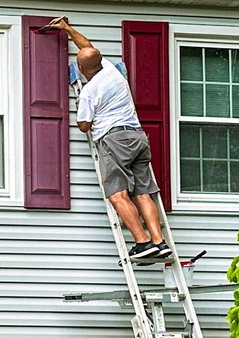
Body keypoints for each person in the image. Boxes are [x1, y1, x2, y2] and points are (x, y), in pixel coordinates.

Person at [50, 19, 171, 262]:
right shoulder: (112, 71)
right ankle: (159, 241)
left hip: (114, 140)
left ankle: (142, 242)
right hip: (137, 136)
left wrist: (84, 108)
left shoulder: (88, 92)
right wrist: (67, 29)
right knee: (143, 193)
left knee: (117, 194)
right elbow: (88, 46)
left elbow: (84, 126)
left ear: (81, 69)